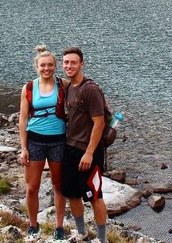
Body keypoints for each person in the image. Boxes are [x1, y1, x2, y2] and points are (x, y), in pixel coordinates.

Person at [18, 45, 68, 241]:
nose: (46, 68)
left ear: (55, 66)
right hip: (35, 141)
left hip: (58, 141)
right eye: (42, 66)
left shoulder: (63, 84)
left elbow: (80, 95)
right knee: (32, 187)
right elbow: (23, 119)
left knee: (58, 185)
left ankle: (59, 227)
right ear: (36, 67)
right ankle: (32, 225)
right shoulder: (29, 88)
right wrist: (23, 148)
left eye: (50, 65)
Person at [61, 46, 109, 243]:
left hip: (88, 151)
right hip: (70, 149)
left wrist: (89, 153)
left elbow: (100, 122)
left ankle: (102, 239)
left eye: (73, 62)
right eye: (66, 62)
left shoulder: (90, 89)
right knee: (72, 194)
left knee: (95, 196)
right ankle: (81, 233)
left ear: (82, 64)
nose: (69, 66)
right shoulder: (69, 87)